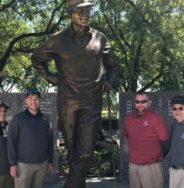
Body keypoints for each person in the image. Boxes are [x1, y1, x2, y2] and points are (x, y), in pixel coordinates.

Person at [31, 0, 120, 187]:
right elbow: (37, 59)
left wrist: (110, 82)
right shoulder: (58, 39)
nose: (85, 14)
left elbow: (114, 65)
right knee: (73, 151)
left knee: (86, 151)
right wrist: (51, 78)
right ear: (70, 14)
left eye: (87, 10)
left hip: (92, 101)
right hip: (67, 101)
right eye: (80, 11)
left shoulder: (100, 38)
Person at [7, 88, 54, 188]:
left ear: (40, 101)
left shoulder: (45, 119)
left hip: (42, 164)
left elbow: (50, 142)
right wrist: (12, 164)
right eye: (30, 98)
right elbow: (11, 142)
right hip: (23, 165)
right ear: (26, 101)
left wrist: (50, 161)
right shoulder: (18, 119)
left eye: (36, 99)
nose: (33, 101)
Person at [123, 91, 170, 188]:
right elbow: (128, 139)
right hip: (133, 167)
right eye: (137, 101)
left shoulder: (156, 118)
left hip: (151, 167)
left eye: (143, 101)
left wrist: (156, 157)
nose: (140, 104)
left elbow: (166, 143)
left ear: (149, 103)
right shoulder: (129, 119)